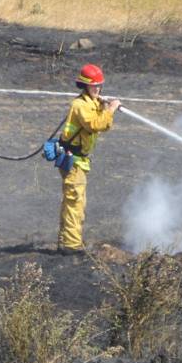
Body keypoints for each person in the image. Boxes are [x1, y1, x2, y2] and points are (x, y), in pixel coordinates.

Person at [57, 64, 121, 255]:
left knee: (75, 202)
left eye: (99, 86)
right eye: (94, 86)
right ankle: (71, 246)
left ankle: (66, 241)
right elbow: (93, 124)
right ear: (84, 85)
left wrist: (104, 107)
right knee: (74, 202)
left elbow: (103, 125)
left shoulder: (91, 103)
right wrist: (110, 109)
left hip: (80, 160)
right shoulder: (80, 105)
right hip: (73, 161)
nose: (97, 89)